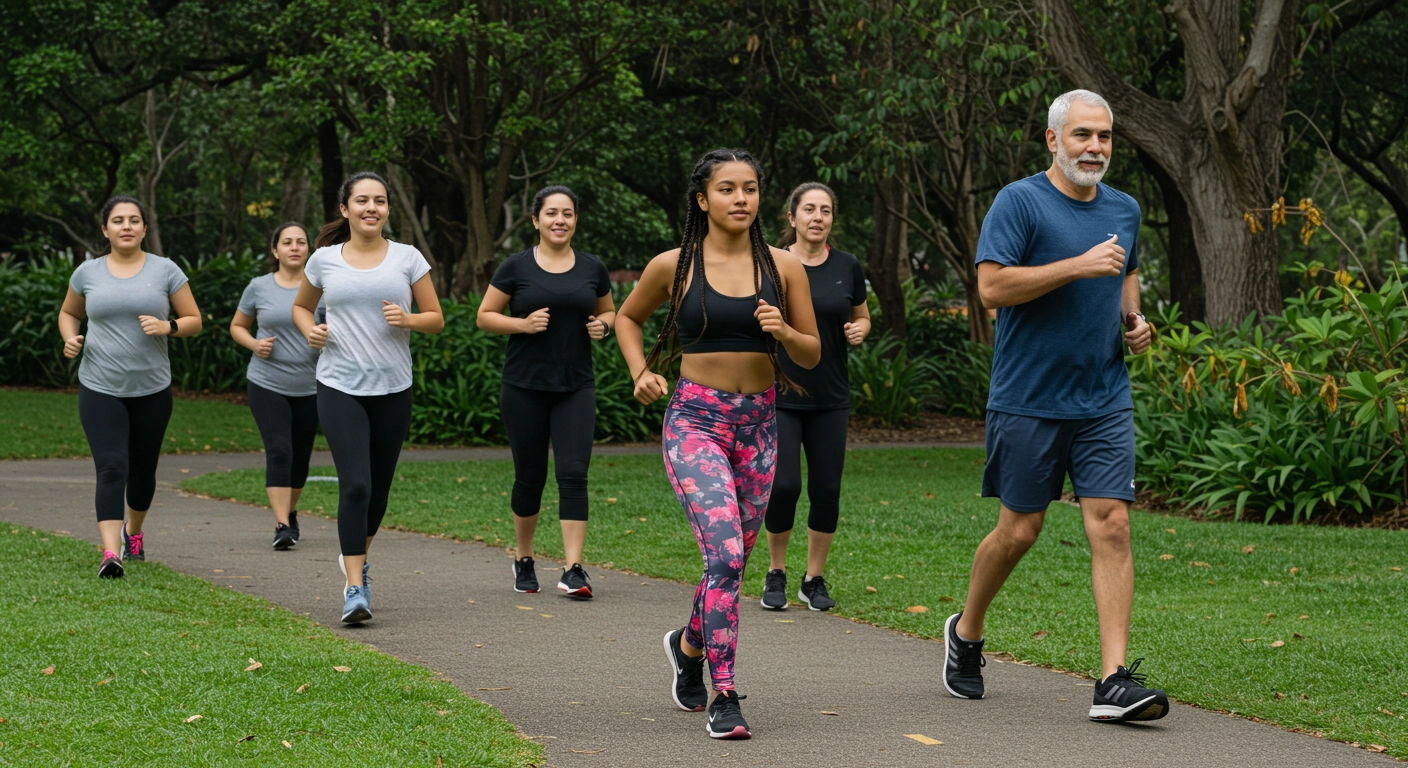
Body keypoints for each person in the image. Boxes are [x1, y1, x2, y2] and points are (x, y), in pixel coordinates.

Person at [942, 89, 1166, 723]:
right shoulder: (1020, 202)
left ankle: (1114, 681)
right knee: (1020, 530)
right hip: (1029, 398)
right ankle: (966, 632)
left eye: (1104, 137)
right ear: (1053, 140)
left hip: (1103, 396)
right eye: (1082, 136)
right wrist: (1076, 265)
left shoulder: (1125, 208)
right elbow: (990, 288)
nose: (1095, 148)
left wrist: (1135, 320)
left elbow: (1124, 272)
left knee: (1113, 524)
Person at [616, 149, 820, 740]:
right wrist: (639, 372)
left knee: (731, 560)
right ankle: (724, 692)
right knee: (727, 556)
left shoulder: (784, 267)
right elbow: (629, 319)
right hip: (696, 422)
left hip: (760, 425)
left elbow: (812, 353)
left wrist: (783, 331)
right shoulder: (673, 265)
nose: (741, 199)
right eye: (727, 189)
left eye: (751, 189)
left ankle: (687, 646)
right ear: (702, 200)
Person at [293, 171, 444, 625]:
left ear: (387, 210)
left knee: (378, 491)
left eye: (379, 200)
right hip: (339, 384)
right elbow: (301, 307)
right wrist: (310, 331)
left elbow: (435, 318)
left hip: (393, 387)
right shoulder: (323, 260)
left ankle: (358, 557)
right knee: (355, 483)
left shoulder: (407, 258)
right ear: (345, 209)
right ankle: (355, 586)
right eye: (362, 200)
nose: (371, 208)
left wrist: (408, 319)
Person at [477, 185, 616, 599]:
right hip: (524, 386)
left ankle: (574, 568)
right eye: (552, 213)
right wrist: (521, 324)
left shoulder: (592, 267)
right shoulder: (516, 267)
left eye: (568, 213)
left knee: (574, 474)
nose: (560, 220)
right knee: (530, 477)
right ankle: (524, 559)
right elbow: (485, 316)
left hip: (576, 385)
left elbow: (609, 310)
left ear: (575, 220)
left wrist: (603, 326)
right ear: (536, 220)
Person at [58, 196, 204, 578]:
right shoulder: (88, 273)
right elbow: (69, 313)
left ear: (143, 228)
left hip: (152, 388)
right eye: (118, 220)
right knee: (111, 468)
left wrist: (168, 326)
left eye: (134, 220)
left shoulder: (166, 270)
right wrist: (69, 339)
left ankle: (133, 532)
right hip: (100, 385)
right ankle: (111, 553)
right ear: (105, 229)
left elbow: (193, 319)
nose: (127, 226)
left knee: (143, 472)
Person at [761, 183, 870, 612]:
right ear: (792, 218)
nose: (817, 217)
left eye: (825, 210)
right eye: (809, 209)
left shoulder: (846, 265)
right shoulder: (771, 264)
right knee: (784, 485)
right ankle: (776, 571)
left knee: (827, 490)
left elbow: (860, 315)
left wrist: (861, 329)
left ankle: (813, 578)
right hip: (781, 393)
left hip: (830, 395)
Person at [231, 222, 323, 550]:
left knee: (301, 457)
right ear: (275, 250)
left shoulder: (321, 288)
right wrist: (254, 345)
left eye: (301, 242)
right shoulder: (258, 287)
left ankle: (291, 511)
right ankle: (282, 525)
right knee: (280, 450)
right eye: (287, 242)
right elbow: (238, 326)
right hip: (267, 381)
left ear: (309, 249)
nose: (295, 247)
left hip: (312, 385)